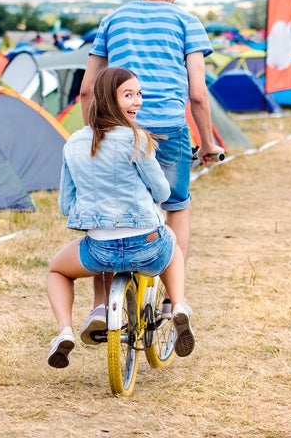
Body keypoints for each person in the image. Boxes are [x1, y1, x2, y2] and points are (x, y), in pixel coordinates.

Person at [78, 0, 221, 345]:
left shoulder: (113, 20)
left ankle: (102, 305)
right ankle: (172, 302)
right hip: (171, 130)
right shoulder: (188, 23)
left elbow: (89, 89)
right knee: (176, 208)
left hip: (118, 127)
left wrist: (94, 135)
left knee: (109, 209)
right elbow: (198, 94)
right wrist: (207, 143)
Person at [46, 67, 194, 368]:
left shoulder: (74, 143)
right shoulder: (136, 139)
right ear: (110, 99)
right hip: (148, 244)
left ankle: (64, 330)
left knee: (57, 272)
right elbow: (162, 191)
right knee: (173, 245)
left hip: (100, 250)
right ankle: (178, 305)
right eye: (128, 94)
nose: (137, 101)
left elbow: (65, 204)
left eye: (139, 94)